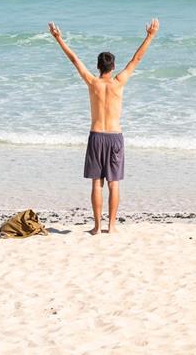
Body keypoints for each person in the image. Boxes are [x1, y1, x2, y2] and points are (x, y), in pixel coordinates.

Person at [48, 18, 159, 235]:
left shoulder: (93, 83)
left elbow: (74, 60)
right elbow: (137, 59)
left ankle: (97, 228)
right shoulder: (119, 82)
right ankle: (112, 226)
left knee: (96, 183)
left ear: (98, 67)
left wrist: (58, 38)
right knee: (114, 184)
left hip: (97, 136)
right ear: (113, 66)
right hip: (115, 137)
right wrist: (150, 35)